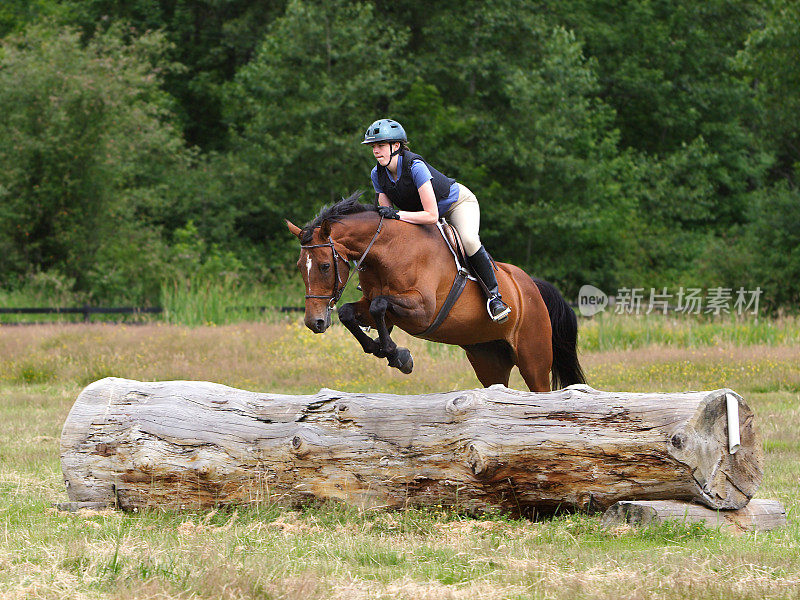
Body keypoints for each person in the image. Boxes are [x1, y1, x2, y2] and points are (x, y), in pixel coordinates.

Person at [362, 118, 511, 323]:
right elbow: (386, 216)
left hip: (456, 204)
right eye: (373, 147)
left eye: (380, 145)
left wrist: (396, 215)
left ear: (395, 146)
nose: (375, 151)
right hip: (423, 214)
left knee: (468, 240)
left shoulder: (415, 167)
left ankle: (495, 298)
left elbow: (431, 216)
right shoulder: (377, 174)